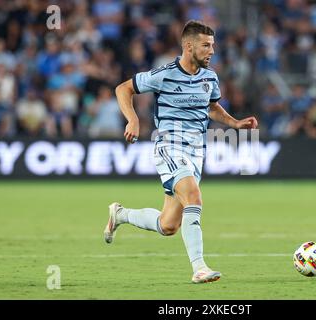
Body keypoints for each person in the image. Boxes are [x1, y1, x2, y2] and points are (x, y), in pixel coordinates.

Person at [104, 20, 258, 283]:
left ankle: (121, 214)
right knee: (194, 197)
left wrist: (235, 123)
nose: (212, 51)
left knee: (168, 225)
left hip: (197, 151)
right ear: (189, 46)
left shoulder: (210, 77)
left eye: (213, 45)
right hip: (169, 146)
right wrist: (132, 119)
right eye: (206, 45)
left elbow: (210, 107)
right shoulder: (164, 74)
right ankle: (199, 268)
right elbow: (123, 89)